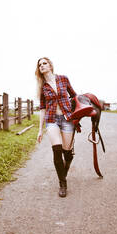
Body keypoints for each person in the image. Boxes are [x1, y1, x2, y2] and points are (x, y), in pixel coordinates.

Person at [36, 57, 77, 198]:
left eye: (44, 63)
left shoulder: (63, 79)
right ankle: (62, 183)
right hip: (51, 120)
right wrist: (40, 130)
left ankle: (63, 172)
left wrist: (75, 113)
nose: (42, 66)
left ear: (50, 65)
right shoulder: (43, 87)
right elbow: (42, 109)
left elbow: (74, 96)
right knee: (57, 150)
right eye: (40, 65)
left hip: (67, 119)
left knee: (68, 152)